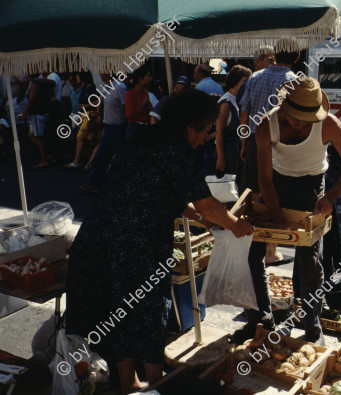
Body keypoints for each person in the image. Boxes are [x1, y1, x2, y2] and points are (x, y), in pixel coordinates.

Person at [66, 89, 254, 394]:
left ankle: (130, 383)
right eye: (206, 131)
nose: (206, 138)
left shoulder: (144, 139)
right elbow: (205, 203)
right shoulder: (177, 150)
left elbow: (169, 195)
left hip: (101, 236)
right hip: (135, 243)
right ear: (191, 126)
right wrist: (234, 224)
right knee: (146, 313)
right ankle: (156, 383)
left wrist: (206, 220)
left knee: (120, 311)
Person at [232, 77, 341, 344]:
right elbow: (265, 180)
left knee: (310, 261)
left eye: (306, 119)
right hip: (276, 184)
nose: (300, 124)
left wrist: (330, 197)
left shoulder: (329, 124)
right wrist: (279, 218)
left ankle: (312, 327)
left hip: (313, 186)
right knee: (253, 252)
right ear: (284, 107)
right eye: (294, 118)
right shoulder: (266, 126)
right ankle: (262, 318)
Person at [239, 39, 299, 264]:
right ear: (296, 58)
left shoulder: (255, 77)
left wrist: (245, 143)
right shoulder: (294, 81)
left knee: (254, 194)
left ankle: (252, 249)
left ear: (275, 55)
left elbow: (244, 114)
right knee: (273, 194)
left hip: (255, 138)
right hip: (280, 144)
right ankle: (270, 252)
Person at [80, 73, 128, 194]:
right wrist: (98, 112)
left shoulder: (119, 87)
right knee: (101, 155)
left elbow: (126, 106)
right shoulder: (107, 86)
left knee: (120, 157)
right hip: (109, 125)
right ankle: (94, 183)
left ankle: (121, 184)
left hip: (119, 126)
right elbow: (99, 101)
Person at [215, 65, 252, 180]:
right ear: (235, 81)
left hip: (238, 149)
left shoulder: (241, 99)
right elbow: (219, 132)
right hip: (229, 150)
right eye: (245, 81)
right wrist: (221, 157)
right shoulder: (225, 103)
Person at [17, 74, 55, 167]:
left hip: (38, 112)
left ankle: (44, 160)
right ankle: (47, 154)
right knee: (32, 134)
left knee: (38, 136)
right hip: (42, 111)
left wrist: (24, 113)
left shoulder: (35, 84)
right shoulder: (43, 82)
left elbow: (31, 100)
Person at [125, 68, 152, 143]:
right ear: (140, 79)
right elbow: (130, 115)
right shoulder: (130, 94)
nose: (150, 79)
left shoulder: (145, 93)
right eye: (148, 76)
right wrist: (142, 106)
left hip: (145, 126)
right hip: (135, 127)